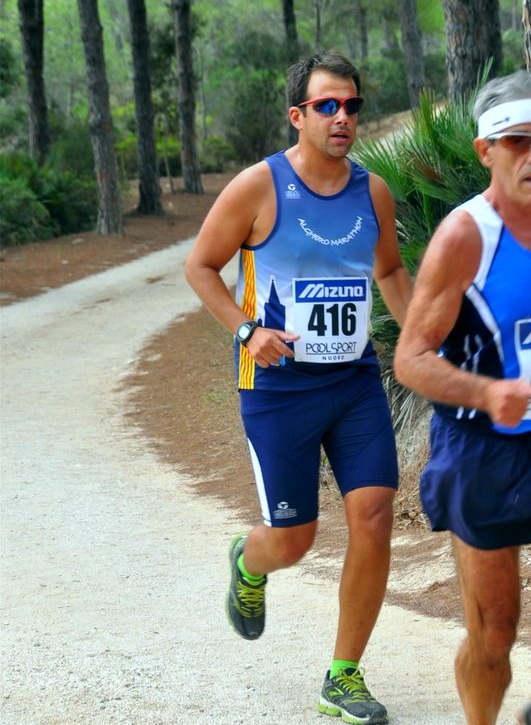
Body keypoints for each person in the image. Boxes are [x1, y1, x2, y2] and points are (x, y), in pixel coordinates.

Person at [185, 50, 411, 725]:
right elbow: (200, 266)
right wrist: (245, 329)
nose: (343, 118)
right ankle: (249, 562)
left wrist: (430, 341)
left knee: (372, 516)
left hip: (352, 382)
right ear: (298, 116)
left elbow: (392, 274)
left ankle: (342, 675)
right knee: (293, 540)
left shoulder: (371, 191)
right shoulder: (258, 187)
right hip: (277, 387)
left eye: (351, 106)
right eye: (327, 106)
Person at [394, 70, 531, 725]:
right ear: (485, 151)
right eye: (515, 142)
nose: (530, 156)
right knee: (495, 627)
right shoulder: (464, 237)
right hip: (483, 449)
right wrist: (487, 391)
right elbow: (410, 359)